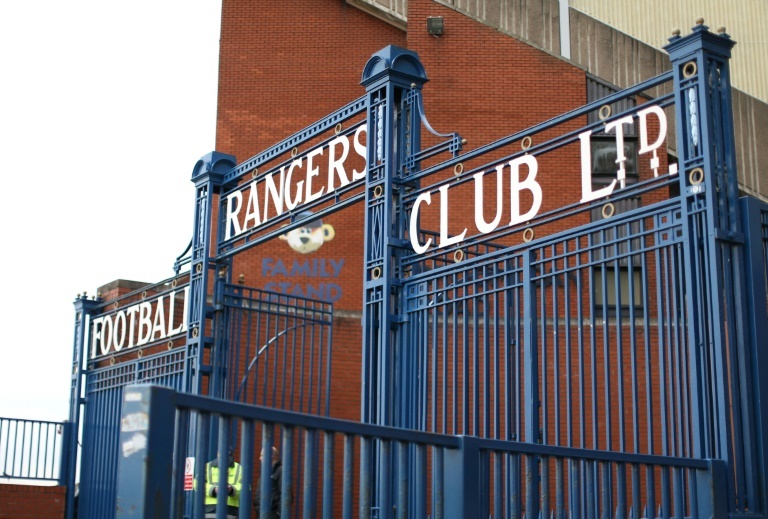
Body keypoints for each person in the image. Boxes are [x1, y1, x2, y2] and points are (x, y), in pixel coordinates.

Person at [203, 446, 243, 519]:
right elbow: (197, 484)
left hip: (228, 512)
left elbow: (245, 488)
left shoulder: (239, 469)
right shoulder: (208, 467)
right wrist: (213, 490)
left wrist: (231, 489)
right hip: (214, 512)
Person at [254, 446, 282, 518]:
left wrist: (278, 513)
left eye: (262, 455)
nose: (260, 458)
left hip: (272, 514)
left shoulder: (280, 471)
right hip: (261, 513)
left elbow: (285, 494)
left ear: (271, 456)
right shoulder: (265, 471)